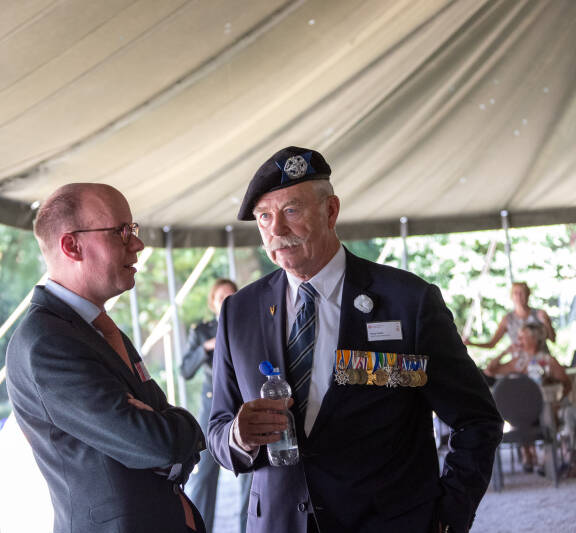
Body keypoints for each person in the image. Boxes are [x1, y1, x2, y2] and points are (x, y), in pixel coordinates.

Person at [207, 147, 503, 533]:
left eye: (291, 211)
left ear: (331, 211)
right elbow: (217, 427)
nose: (276, 230)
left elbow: (477, 419)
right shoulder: (239, 312)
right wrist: (237, 436)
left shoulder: (406, 301)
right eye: (265, 217)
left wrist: (449, 516)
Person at [6, 183, 206, 533]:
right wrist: (184, 430)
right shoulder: (48, 342)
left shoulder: (95, 327)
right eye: (121, 232)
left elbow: (160, 419)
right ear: (72, 245)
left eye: (133, 229)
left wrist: (170, 427)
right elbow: (157, 445)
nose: (138, 244)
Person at [182, 279, 252, 533]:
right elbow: (185, 370)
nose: (228, 300)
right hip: (212, 413)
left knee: (250, 479)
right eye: (222, 297)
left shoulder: (249, 325)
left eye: (233, 295)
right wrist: (206, 346)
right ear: (213, 303)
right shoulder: (201, 331)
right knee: (203, 479)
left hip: (243, 411)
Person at [485, 323, 571, 473]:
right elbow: (489, 372)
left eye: (522, 336)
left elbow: (566, 384)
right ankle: (527, 454)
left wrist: (558, 401)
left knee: (548, 412)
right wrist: (504, 352)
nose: (518, 340)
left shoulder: (547, 361)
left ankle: (547, 459)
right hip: (521, 412)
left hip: (544, 409)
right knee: (517, 410)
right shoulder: (518, 362)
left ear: (535, 338)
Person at [464, 281, 556, 354]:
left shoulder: (539, 314)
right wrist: (471, 343)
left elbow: (553, 339)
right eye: (516, 293)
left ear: (528, 295)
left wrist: (547, 323)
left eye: (522, 293)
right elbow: (492, 344)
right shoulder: (508, 319)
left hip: (542, 360)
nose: (519, 296)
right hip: (520, 364)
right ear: (511, 296)